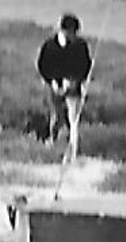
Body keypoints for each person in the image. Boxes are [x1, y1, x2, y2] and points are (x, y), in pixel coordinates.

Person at [37, 13, 93, 148]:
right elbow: (42, 65)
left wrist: (77, 80)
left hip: (73, 87)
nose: (74, 36)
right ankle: (52, 141)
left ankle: (72, 146)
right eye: (72, 32)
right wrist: (52, 81)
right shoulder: (50, 46)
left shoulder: (80, 45)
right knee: (56, 116)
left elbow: (85, 65)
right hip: (54, 86)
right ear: (64, 30)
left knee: (73, 119)